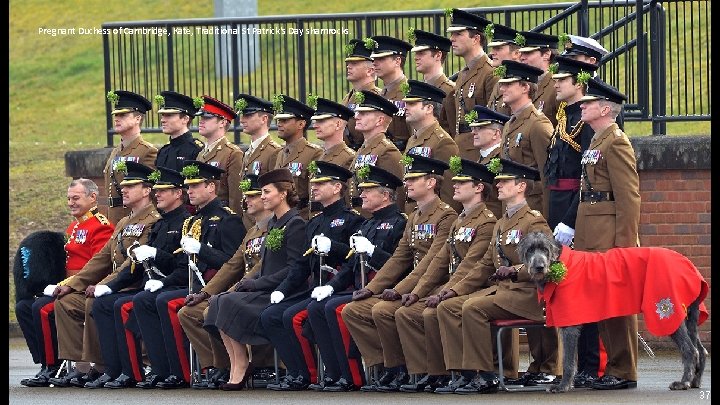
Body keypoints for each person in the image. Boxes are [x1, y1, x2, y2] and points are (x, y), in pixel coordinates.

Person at [436, 158, 555, 394]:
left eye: (505, 181)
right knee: (448, 306)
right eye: (498, 181)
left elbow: (546, 262)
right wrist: (454, 289)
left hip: (526, 294)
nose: (498, 185)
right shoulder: (502, 222)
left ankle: (485, 374)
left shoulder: (533, 220)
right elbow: (484, 264)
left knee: (473, 308)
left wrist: (516, 270)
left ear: (521, 186)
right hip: (503, 293)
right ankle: (464, 372)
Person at [341, 154, 457, 392]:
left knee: (388, 310)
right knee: (354, 309)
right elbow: (399, 259)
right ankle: (388, 366)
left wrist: (403, 290)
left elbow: (433, 262)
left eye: (414, 179)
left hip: (435, 283)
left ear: (431, 183)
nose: (408, 183)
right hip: (413, 283)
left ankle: (424, 369)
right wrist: (372, 288)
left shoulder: (446, 216)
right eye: (408, 179)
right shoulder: (414, 216)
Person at [133, 160, 245, 390]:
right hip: (193, 284)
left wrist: (202, 250)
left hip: (217, 287)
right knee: (147, 299)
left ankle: (204, 367)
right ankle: (167, 368)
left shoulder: (227, 219)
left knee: (168, 302)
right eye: (188, 187)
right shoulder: (193, 221)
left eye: (195, 186)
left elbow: (233, 264)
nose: (189, 191)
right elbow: (181, 263)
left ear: (211, 187)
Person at [52, 162, 161, 388]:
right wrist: (73, 284)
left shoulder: (153, 220)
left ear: (147, 190)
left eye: (131, 186)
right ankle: (81, 364)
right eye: (123, 186)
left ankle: (105, 366)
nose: (124, 190)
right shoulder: (124, 221)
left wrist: (106, 285)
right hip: (116, 284)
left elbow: (134, 262)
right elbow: (100, 259)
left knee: (97, 301)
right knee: (66, 301)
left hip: (134, 284)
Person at [394, 157, 498, 392]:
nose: (455, 186)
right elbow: (440, 260)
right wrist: (417, 291)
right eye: (456, 182)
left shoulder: (486, 222)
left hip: (474, 286)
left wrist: (446, 291)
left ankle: (464, 372)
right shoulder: (459, 220)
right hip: (455, 285)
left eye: (462, 183)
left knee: (439, 310)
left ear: (479, 188)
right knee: (408, 311)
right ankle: (435, 372)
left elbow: (472, 266)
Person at [262, 161, 363, 391]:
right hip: (316, 287)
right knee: (271, 315)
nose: (313, 187)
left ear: (337, 187)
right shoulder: (315, 222)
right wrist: (283, 289)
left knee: (300, 315)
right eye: (313, 182)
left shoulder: (352, 220)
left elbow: (353, 260)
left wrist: (334, 250)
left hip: (340, 286)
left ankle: (344, 374)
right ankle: (302, 373)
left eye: (320, 183)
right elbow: (302, 264)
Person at [203, 168, 307, 391]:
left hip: (285, 291)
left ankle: (241, 364)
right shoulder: (273, 224)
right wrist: (248, 283)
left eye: (266, 192)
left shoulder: (295, 223)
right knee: (220, 299)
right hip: (266, 288)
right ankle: (237, 362)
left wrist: (257, 284)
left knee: (229, 302)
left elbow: (293, 268)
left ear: (283, 194)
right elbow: (265, 265)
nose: (262, 197)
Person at [87, 166, 190, 388]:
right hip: (152, 285)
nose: (157, 194)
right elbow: (136, 264)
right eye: (157, 190)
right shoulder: (161, 224)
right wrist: (111, 286)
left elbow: (182, 266)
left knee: (131, 304)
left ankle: (157, 371)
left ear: (178, 193)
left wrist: (160, 271)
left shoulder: (186, 222)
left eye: (163, 190)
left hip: (173, 285)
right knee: (103, 302)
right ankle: (116, 369)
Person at [306, 165, 407, 392]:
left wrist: (373, 251)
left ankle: (366, 373)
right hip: (363, 289)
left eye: (368, 190)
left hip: (387, 289)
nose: (361, 194)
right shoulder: (368, 224)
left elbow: (400, 265)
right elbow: (351, 265)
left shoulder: (399, 223)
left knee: (336, 308)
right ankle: (339, 372)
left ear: (384, 195)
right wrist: (331, 287)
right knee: (319, 306)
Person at [177, 174, 274, 389]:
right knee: (189, 312)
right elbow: (233, 265)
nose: (246, 200)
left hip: (264, 289)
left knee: (216, 309)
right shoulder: (253, 230)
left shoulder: (273, 228)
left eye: (253, 196)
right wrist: (206, 293)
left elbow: (262, 266)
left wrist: (230, 291)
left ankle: (256, 364)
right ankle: (219, 365)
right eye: (246, 196)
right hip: (245, 289)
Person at [575, 77, 641, 390]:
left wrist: (625, 246)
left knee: (618, 304)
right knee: (603, 304)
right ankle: (612, 366)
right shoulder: (596, 139)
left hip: (610, 236)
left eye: (588, 102)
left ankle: (624, 369)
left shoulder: (616, 140)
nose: (582, 106)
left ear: (605, 108)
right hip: (592, 232)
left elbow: (629, 197)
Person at [17, 179, 114, 387]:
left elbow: (97, 267)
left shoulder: (100, 227)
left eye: (76, 198)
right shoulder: (75, 226)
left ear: (93, 198)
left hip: (85, 287)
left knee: (42, 309)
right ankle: (44, 360)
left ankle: (53, 365)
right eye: (69, 199)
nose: (71, 203)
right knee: (24, 306)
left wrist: (68, 284)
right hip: (67, 284)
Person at [544, 56, 602, 387]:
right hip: (559, 205)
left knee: (582, 292)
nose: (555, 85)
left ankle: (590, 366)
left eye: (561, 80)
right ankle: (575, 367)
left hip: (575, 212)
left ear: (578, 83)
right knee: (567, 292)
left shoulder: (589, 117)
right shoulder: (566, 115)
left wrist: (569, 221)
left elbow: (587, 178)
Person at [496, 60, 553, 217]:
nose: (502, 89)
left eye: (508, 84)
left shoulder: (538, 124)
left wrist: (548, 217)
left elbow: (547, 175)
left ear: (525, 87)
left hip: (532, 208)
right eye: (502, 84)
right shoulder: (509, 124)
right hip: (511, 208)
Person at [401, 79, 461, 213]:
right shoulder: (412, 140)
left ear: (429, 108)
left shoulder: (443, 142)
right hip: (414, 215)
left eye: (412, 104)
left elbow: (449, 193)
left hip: (432, 218)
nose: (406, 107)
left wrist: (440, 221)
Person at [446, 8, 498, 161]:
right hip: (462, 149)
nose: (452, 39)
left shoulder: (489, 72)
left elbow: (493, 120)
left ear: (475, 39)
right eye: (452, 34)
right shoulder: (464, 73)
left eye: (458, 34)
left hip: (479, 152)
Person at [103, 90, 158, 224]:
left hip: (135, 219)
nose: (116, 118)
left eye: (122, 115)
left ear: (137, 118)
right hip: (113, 218)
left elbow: (152, 190)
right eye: (116, 115)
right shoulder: (115, 151)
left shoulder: (147, 151)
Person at [349, 90, 405, 214]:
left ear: (379, 120)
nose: (356, 116)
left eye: (364, 113)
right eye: (358, 112)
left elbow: (398, 193)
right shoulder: (362, 149)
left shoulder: (387, 152)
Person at [272, 94, 324, 220]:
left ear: (301, 124)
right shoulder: (280, 153)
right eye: (279, 120)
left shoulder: (314, 153)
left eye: (285, 121)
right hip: (281, 217)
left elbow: (315, 194)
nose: (279, 124)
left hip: (301, 217)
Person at [235, 93, 282, 230]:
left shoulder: (273, 151)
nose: (242, 120)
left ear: (264, 119)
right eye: (242, 115)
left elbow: (275, 192)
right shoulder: (248, 151)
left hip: (265, 222)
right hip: (248, 221)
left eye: (248, 116)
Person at [194, 95, 245, 215]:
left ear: (222, 122)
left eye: (207, 118)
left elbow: (236, 197)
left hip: (222, 219)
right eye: (201, 117)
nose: (201, 121)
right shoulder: (201, 154)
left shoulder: (232, 153)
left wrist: (233, 222)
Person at [309, 97, 357, 214]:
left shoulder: (348, 157)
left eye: (322, 121)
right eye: (316, 121)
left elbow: (349, 200)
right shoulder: (319, 157)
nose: (315, 125)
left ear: (338, 124)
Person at [368, 35, 413, 151]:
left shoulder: (409, 94)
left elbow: (416, 136)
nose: (375, 63)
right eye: (374, 59)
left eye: (381, 59)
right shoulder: (381, 94)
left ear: (397, 61)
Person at [409, 29, 456, 137]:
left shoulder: (450, 91)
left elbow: (455, 132)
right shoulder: (417, 91)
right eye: (416, 53)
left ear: (438, 55)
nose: (416, 57)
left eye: (421, 53)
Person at [467, 105, 510, 217]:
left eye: (480, 128)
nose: (473, 132)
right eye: (473, 128)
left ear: (496, 133)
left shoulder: (502, 158)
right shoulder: (482, 157)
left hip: (494, 219)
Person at [341, 38, 382, 150]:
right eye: (348, 63)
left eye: (354, 63)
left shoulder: (377, 97)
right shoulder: (348, 97)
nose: (348, 66)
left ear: (370, 70)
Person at [154, 90, 204, 172]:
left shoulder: (196, 150)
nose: (162, 120)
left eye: (169, 115)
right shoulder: (163, 151)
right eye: (163, 115)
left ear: (185, 119)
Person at [518, 31, 561, 126]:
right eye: (521, 53)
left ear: (546, 54)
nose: (522, 57)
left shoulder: (557, 85)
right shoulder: (522, 83)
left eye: (528, 53)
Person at [485, 22, 521, 116]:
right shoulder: (500, 82)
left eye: (498, 49)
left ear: (516, 53)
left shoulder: (523, 82)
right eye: (492, 48)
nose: (492, 53)